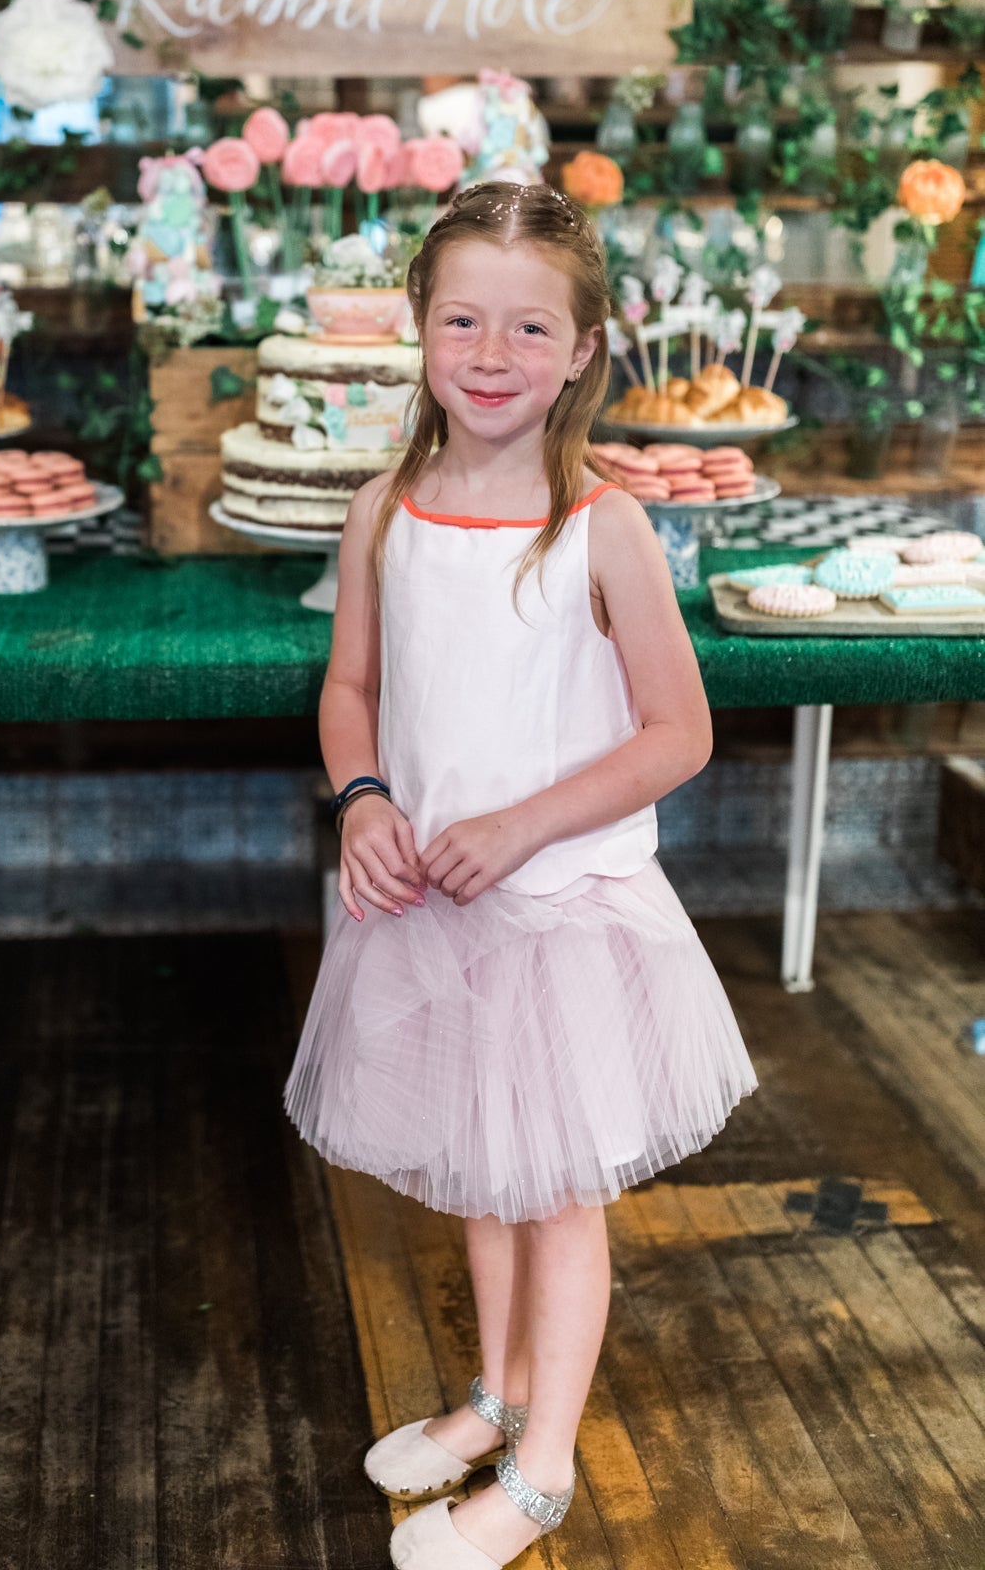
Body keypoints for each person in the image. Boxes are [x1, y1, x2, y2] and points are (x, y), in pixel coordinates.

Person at [284, 180, 758, 1570]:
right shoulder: (384, 508)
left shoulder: (600, 525)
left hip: (554, 912)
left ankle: (542, 1473)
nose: (491, 354)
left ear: (583, 349)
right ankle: (494, 1398)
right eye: (461, 321)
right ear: (419, 333)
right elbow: (351, 685)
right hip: (430, 904)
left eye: (528, 327)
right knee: (474, 1173)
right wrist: (363, 798)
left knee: (554, 1192)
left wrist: (522, 825)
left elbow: (678, 733)